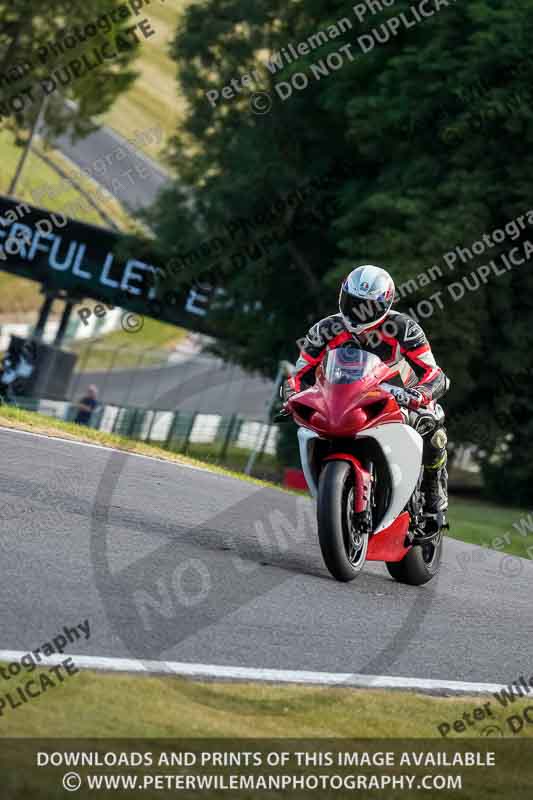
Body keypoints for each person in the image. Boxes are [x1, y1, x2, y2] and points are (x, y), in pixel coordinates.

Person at [284, 264, 450, 517]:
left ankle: (432, 489)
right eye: (352, 302)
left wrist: (420, 394)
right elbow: (300, 374)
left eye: (368, 306)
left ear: (385, 304)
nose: (358, 312)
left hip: (399, 397)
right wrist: (291, 397)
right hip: (344, 399)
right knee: (310, 425)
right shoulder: (325, 329)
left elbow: (435, 374)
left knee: (433, 424)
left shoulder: (404, 328)